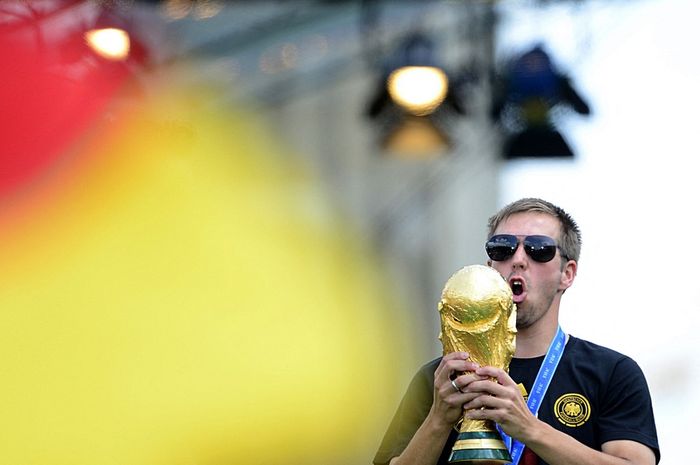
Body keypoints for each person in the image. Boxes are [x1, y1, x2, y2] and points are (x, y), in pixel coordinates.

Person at [373, 198, 659, 465]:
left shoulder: (611, 373)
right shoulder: (443, 379)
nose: (519, 259)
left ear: (567, 273)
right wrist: (438, 419)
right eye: (502, 248)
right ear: (490, 268)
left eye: (539, 249)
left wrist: (529, 428)